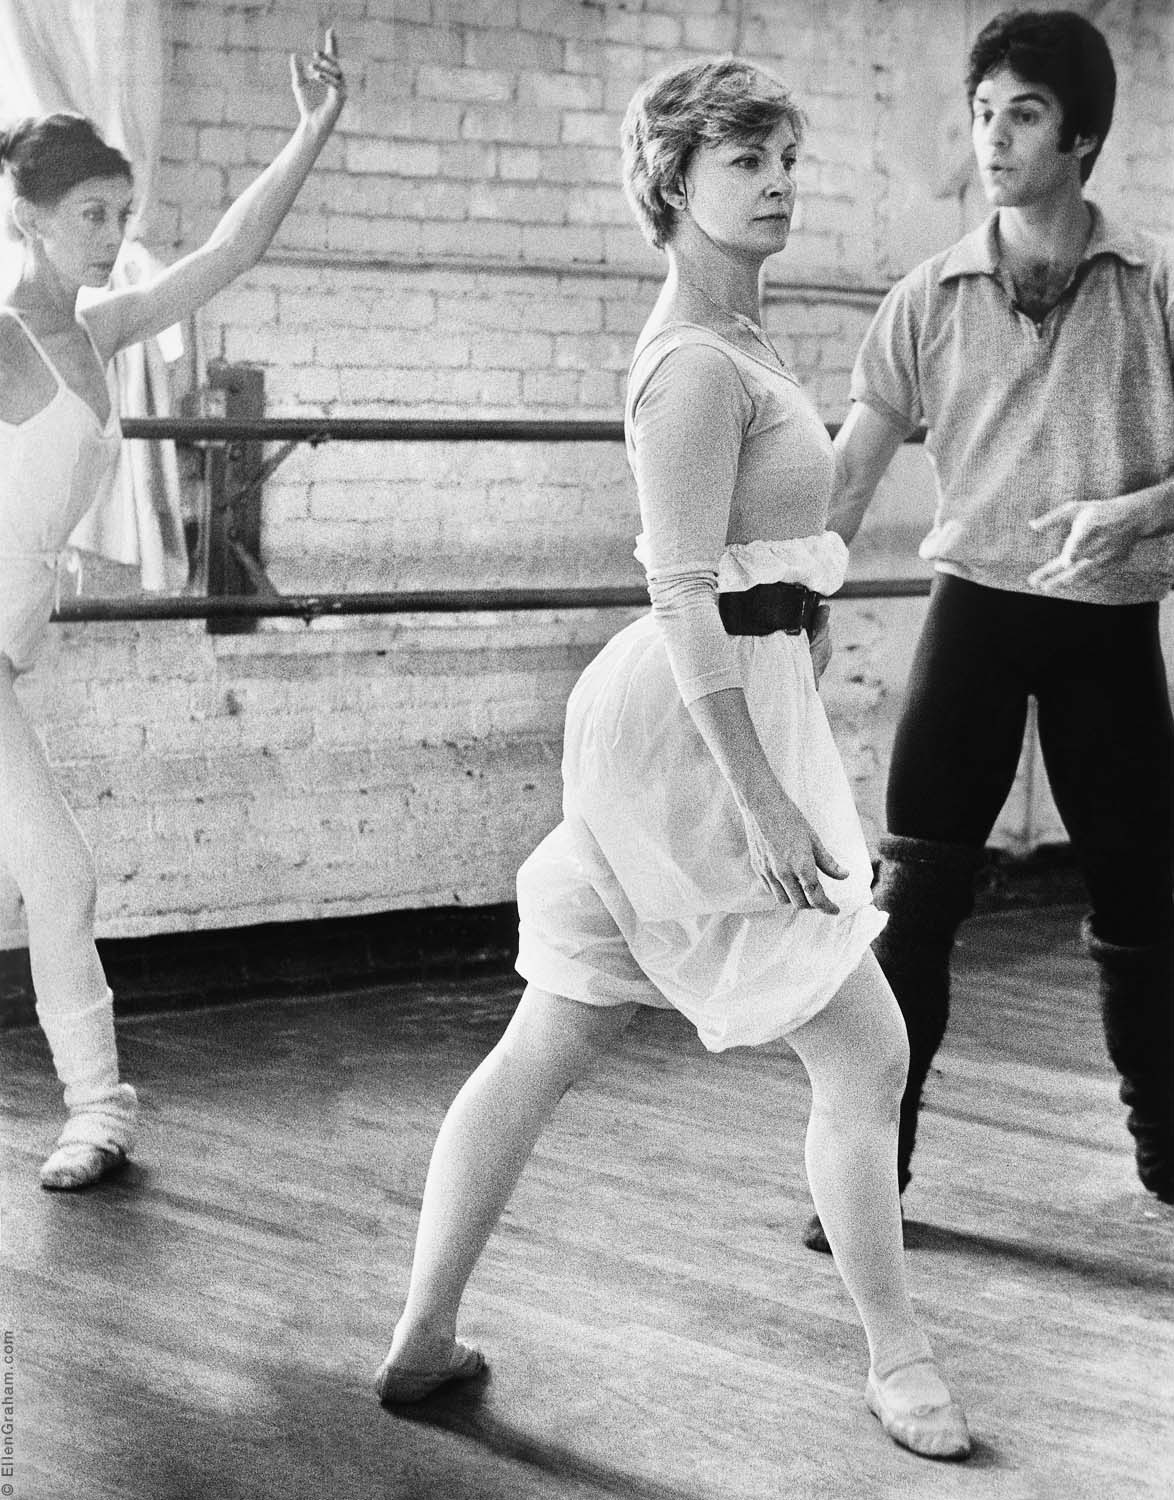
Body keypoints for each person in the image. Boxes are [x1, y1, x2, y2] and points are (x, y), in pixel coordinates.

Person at [375, 56, 971, 1463]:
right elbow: (682, 591)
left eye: (782, 157)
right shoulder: (691, 365)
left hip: (726, 714)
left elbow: (773, 572)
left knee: (549, 1038)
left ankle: (419, 1337)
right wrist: (761, 796)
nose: (774, 183)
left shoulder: (746, 341)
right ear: (672, 184)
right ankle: (900, 1362)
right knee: (865, 1045)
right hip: (688, 737)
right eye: (742, 161)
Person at [804, 8, 1174, 1255]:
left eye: (1022, 114)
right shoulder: (929, 294)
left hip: (1109, 622)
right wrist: (792, 590)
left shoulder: (1156, 279)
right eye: (982, 114)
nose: (994, 138)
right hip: (975, 615)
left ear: (1080, 136)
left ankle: (1169, 1160)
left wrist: (1137, 511)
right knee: (909, 903)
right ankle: (870, 1177)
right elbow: (852, 466)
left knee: (1141, 912)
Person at [0, 30, 346, 1190]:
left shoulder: (94, 333)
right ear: (28, 218)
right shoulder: (2, 339)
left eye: (118, 212)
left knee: (43, 876)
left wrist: (311, 130)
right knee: (62, 873)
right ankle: (99, 1110)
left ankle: (98, 1107)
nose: (110, 237)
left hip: (7, 652)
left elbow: (228, 251)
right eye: (90, 216)